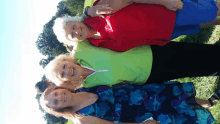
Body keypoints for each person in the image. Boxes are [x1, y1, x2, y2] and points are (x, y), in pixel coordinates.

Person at [45, 40, 220, 89]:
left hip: (151, 51)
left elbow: (84, 24)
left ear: (66, 60)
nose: (67, 70)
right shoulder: (90, 85)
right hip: (150, 75)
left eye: (63, 65)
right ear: (66, 81)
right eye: (62, 74)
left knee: (192, 52)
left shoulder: (82, 49)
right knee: (191, 69)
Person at [53, 0, 220, 51]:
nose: (76, 32)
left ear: (75, 20)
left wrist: (165, 1)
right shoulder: (96, 44)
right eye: (72, 35)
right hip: (163, 34)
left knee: (211, 9)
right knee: (200, 23)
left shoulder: (97, 10)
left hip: (166, 12)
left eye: (73, 26)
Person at [40, 81, 220, 124]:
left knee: (177, 96)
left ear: (58, 88)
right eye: (55, 102)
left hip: (141, 93)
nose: (59, 97)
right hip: (140, 113)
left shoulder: (80, 86)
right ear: (60, 109)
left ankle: (208, 102)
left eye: (55, 94)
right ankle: (203, 113)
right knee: (175, 113)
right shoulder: (82, 118)